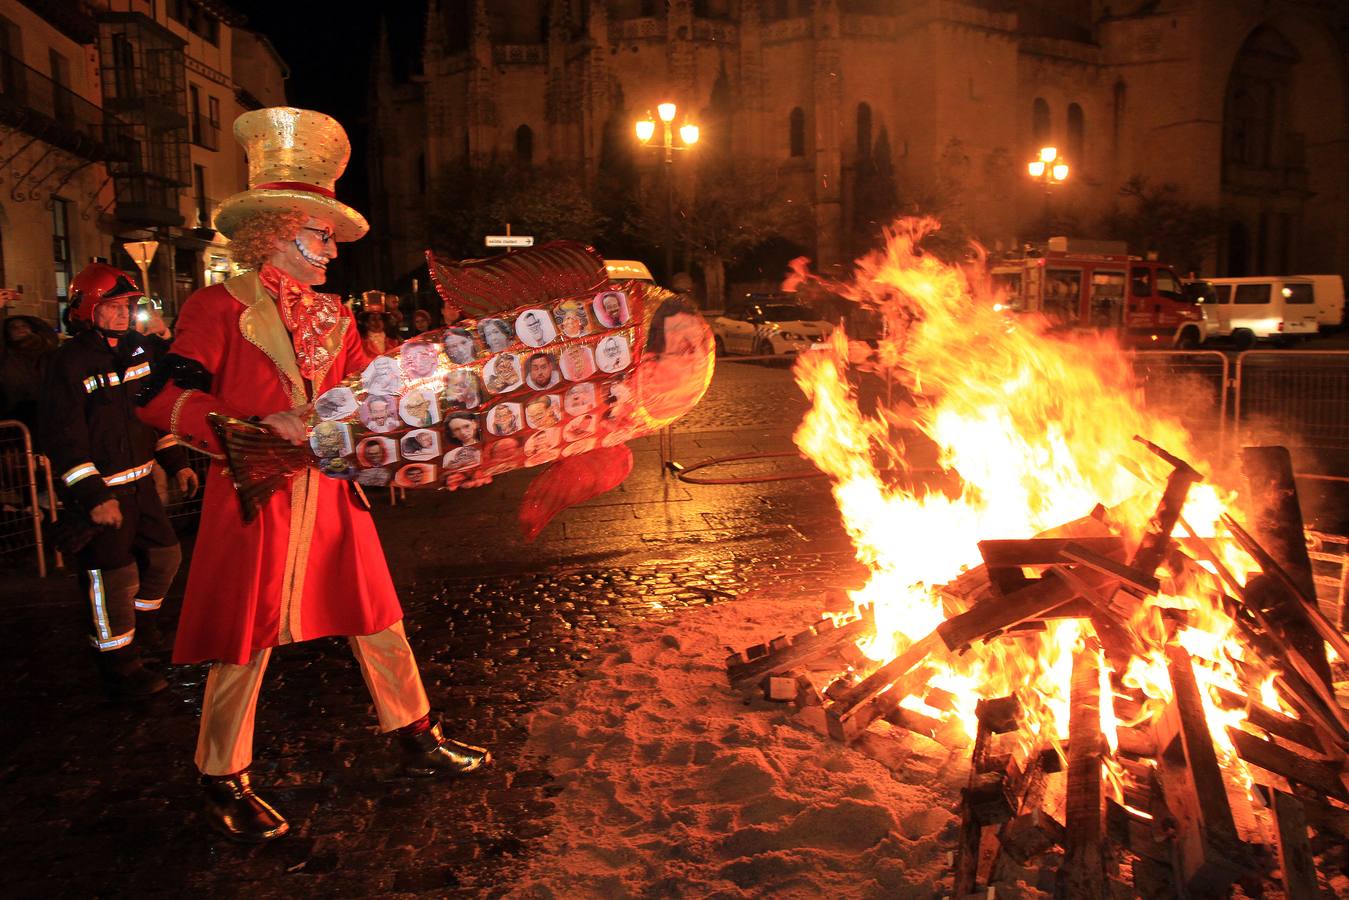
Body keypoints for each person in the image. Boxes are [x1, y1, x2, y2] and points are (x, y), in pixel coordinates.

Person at [136, 107, 488, 844]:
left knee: (377, 615)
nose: (331, 251)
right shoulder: (214, 306)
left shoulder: (336, 315)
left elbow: (372, 395)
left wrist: (447, 430)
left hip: (328, 494)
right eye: (319, 235)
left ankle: (416, 734)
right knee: (246, 639)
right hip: (254, 495)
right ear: (275, 234)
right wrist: (257, 426)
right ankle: (222, 775)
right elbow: (159, 398)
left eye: (329, 238)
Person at [39, 262, 198, 698]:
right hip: (102, 493)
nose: (124, 314)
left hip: (143, 485)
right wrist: (92, 496)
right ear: (89, 310)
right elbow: (64, 438)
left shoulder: (139, 352)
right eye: (113, 306)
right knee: (112, 576)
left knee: (166, 556)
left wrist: (178, 462)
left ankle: (142, 627)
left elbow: (154, 412)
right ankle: (118, 663)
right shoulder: (68, 363)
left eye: (128, 305)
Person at [0, 314, 58, 429]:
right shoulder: (7, 356)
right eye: (14, 327)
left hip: (50, 410)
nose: (20, 329)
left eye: (24, 325)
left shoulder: (47, 352)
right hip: (16, 413)